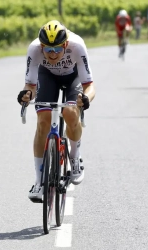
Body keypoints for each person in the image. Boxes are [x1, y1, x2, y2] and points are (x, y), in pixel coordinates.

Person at [17, 20, 96, 202]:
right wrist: (27, 94)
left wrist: (85, 98)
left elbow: (89, 85)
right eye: (48, 50)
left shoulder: (77, 46)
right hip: (48, 77)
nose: (53, 54)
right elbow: (30, 85)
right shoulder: (34, 49)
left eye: (58, 49)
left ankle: (75, 158)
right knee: (43, 121)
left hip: (73, 77)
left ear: (65, 44)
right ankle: (39, 182)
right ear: (41, 46)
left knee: (70, 112)